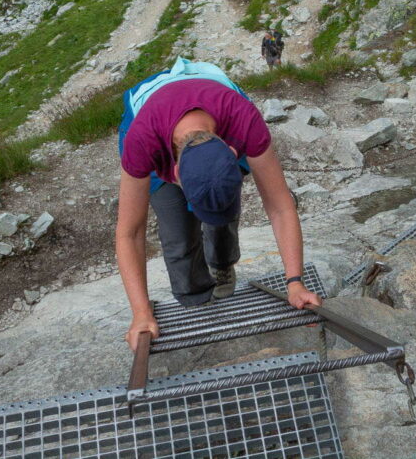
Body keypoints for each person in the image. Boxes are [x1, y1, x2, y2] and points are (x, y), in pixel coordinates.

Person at [116, 58, 321, 351]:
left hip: (214, 105)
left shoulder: (243, 119)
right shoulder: (142, 141)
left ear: (230, 150)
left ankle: (222, 265)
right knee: (178, 233)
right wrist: (141, 314)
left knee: (223, 218)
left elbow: (280, 206)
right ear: (173, 174)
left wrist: (295, 282)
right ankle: (194, 299)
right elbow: (130, 232)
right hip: (153, 113)